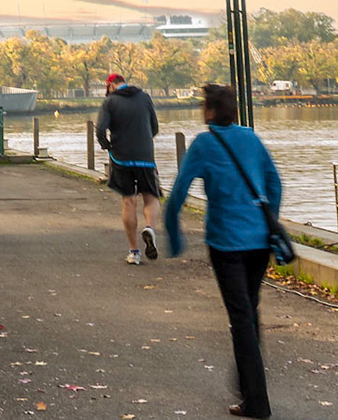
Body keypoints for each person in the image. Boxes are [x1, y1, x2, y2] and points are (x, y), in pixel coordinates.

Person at [164, 84, 281, 420]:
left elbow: (178, 193)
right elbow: (274, 182)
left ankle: (256, 401)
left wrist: (174, 236)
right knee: (249, 310)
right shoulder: (251, 138)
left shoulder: (203, 144)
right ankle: (248, 386)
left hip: (226, 244)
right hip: (259, 243)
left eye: (204, 105)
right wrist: (268, 216)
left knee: (241, 318)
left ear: (211, 112)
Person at [95, 71, 162, 264]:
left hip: (121, 157)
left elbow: (100, 130)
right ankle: (149, 227)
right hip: (145, 157)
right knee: (150, 196)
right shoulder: (144, 97)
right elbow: (154, 127)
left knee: (128, 200)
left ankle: (134, 252)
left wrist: (107, 146)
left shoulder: (109, 102)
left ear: (111, 86)